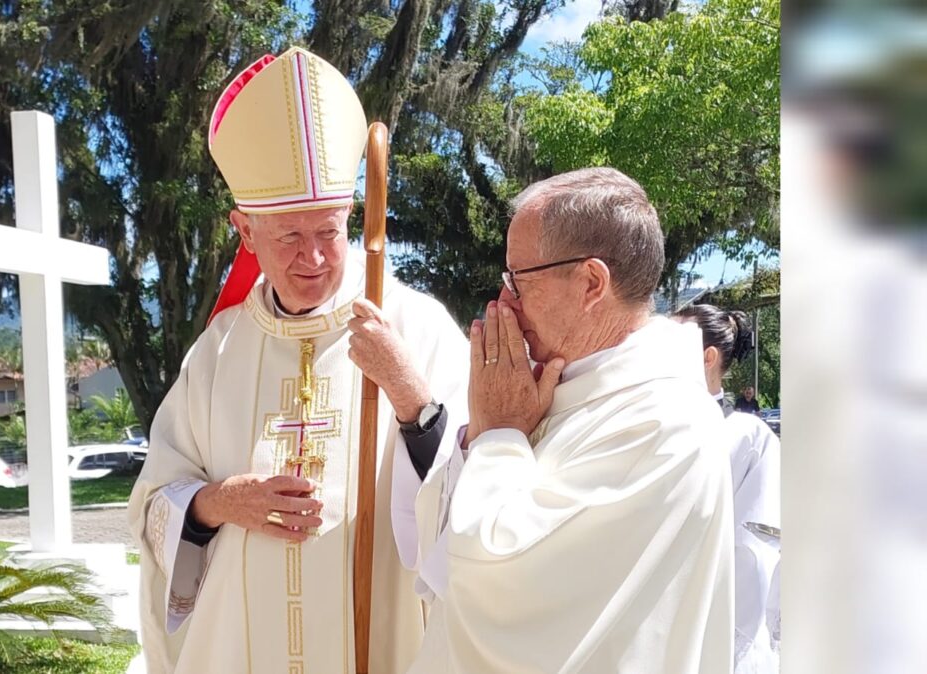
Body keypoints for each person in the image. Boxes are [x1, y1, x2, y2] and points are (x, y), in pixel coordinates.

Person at [124, 47, 469, 674]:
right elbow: (153, 506)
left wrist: (408, 392)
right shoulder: (218, 349)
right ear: (245, 232)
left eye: (328, 232)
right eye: (288, 236)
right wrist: (218, 503)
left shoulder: (414, 325)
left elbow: (475, 492)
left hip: (384, 645)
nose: (312, 257)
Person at [398, 167, 734, 674]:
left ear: (591, 283)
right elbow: (445, 569)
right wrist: (478, 438)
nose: (503, 299)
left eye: (518, 278)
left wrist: (502, 435)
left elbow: (501, 581)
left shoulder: (664, 425)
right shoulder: (557, 385)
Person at [673, 304, 781, 673]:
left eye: (671, 345)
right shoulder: (656, 428)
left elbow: (752, 558)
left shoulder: (749, 438)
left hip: (716, 642)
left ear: (708, 357)